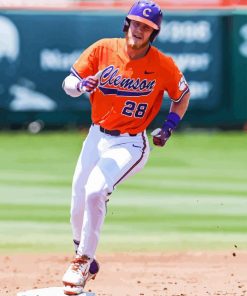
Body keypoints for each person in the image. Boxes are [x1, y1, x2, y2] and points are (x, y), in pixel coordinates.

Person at [61, 0, 190, 294]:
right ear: (127, 23)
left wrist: (169, 125)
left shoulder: (162, 64)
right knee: (78, 202)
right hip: (96, 135)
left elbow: (182, 94)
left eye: (147, 27)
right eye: (135, 23)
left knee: (96, 190)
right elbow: (69, 82)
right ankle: (86, 256)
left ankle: (82, 261)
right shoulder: (103, 49)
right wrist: (81, 86)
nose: (139, 30)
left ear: (154, 33)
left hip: (130, 142)